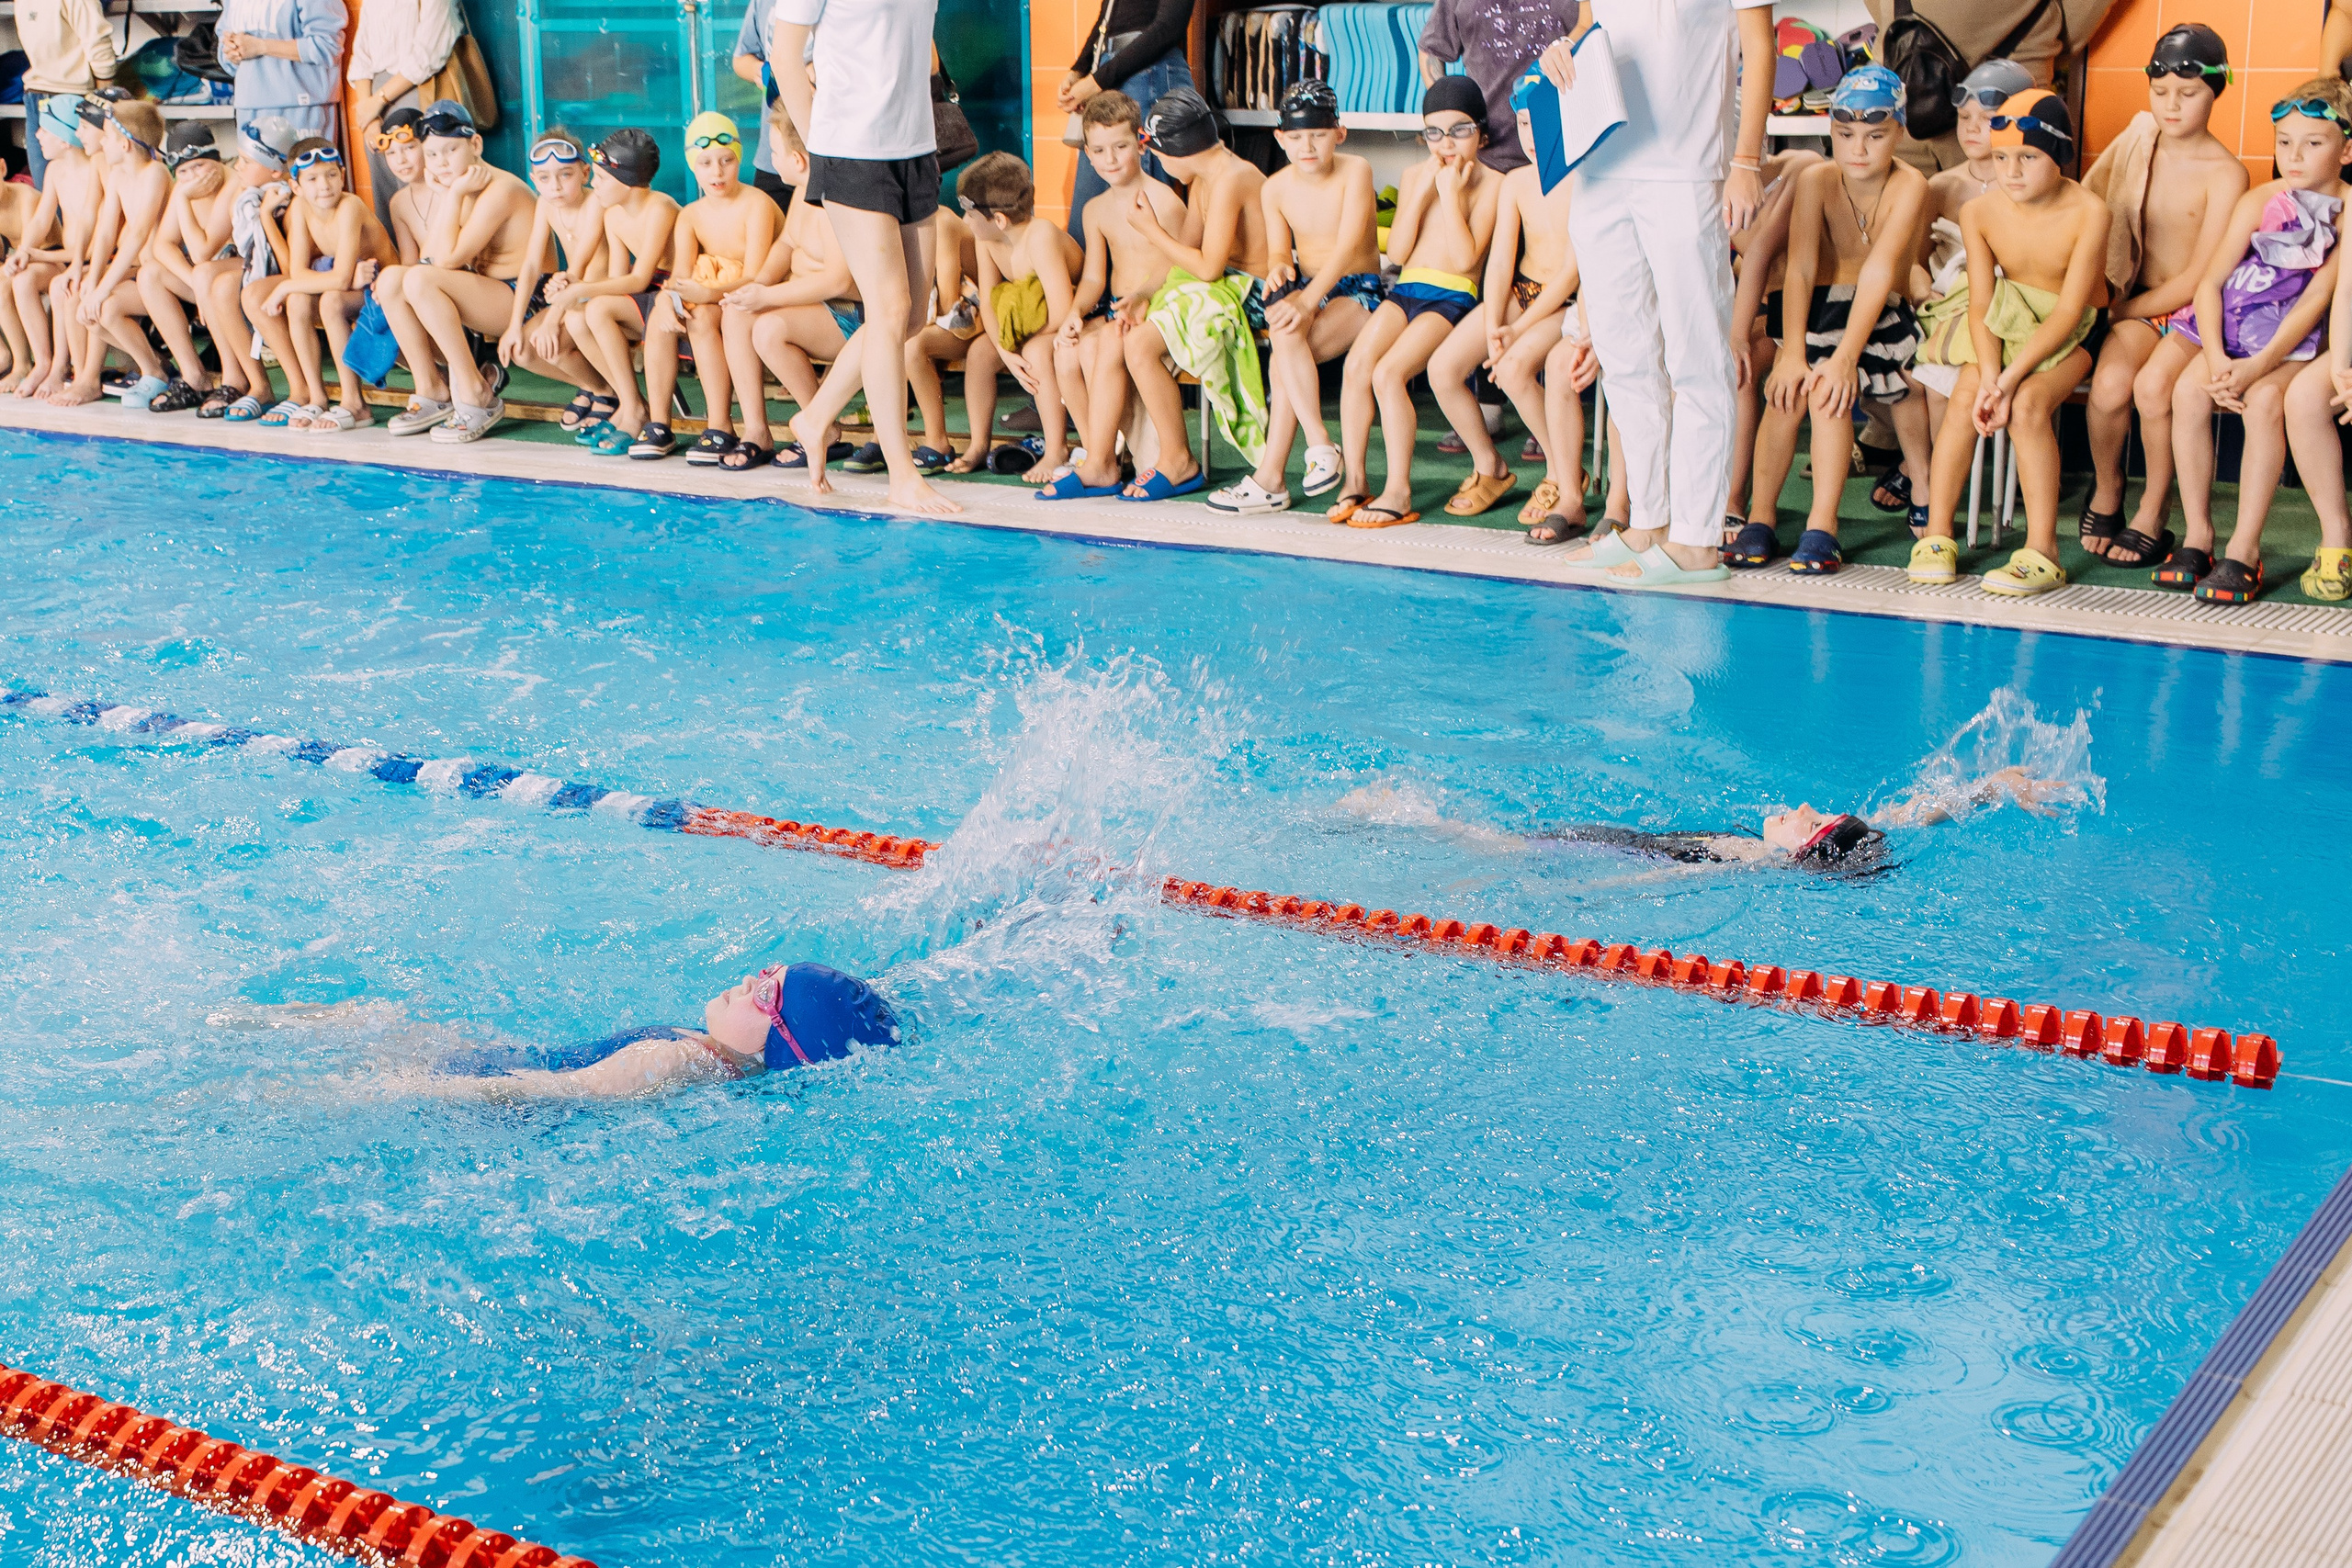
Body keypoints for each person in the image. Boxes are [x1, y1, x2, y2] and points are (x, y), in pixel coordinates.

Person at [1541, 0, 1775, 590]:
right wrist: (1560, 54)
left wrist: (1746, 160)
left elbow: (1761, 46)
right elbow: (1591, 31)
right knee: (1625, 358)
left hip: (1687, 168)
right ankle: (1648, 521)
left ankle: (1696, 539)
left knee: (1696, 359)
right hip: (1601, 164)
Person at [1731, 66, 1930, 574]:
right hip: (1816, 305)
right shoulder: (1816, 179)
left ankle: (1824, 525)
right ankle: (1761, 516)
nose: (1858, 149)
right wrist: (1792, 353)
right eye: (1845, 135)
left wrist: (1843, 359)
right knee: (1787, 390)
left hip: (1879, 308)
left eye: (1875, 135)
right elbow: (1797, 268)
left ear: (1899, 133)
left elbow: (1882, 271)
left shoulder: (1910, 185)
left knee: (1828, 392)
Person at [1908, 91, 2108, 597]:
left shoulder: (2090, 213)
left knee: (2027, 407)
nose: (2011, 171)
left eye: (2028, 157)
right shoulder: (1980, 213)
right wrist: (1992, 378)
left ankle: (2044, 550)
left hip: (2073, 325)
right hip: (2006, 316)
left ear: (2060, 155)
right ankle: (1937, 536)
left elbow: (2068, 311)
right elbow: (1980, 305)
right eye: (2001, 157)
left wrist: (2011, 381)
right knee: (1967, 394)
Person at [2160, 82, 2352, 606]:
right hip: (2241, 335)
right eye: (2284, 141)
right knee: (2186, 392)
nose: (2294, 155)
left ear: (2347, 149)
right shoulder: (2259, 200)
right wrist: (2219, 357)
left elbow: (2318, 298)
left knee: (2267, 400)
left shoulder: (2349, 210)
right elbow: (2209, 283)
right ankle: (2199, 534)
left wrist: (2256, 367)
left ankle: (2245, 548)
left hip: (2298, 342)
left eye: (2313, 143)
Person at [775, 0, 962, 515]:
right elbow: (784, 55)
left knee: (911, 317)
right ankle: (901, 475)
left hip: (916, 146)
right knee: (888, 308)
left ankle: (814, 419)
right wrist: (822, 143)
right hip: (851, 150)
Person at [2077, 24, 2250, 566]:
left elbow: (2203, 277)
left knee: (2153, 391)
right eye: (2160, 94)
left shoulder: (2227, 174)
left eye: (2188, 93)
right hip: (2141, 300)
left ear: (2217, 90)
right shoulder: (2138, 141)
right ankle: (2109, 487)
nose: (2170, 107)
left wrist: (2119, 310)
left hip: (2195, 313)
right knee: (2108, 388)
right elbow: (2092, 210)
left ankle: (2155, 504)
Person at [222, 963, 901, 1100]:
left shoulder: (675, 1064)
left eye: (767, 990)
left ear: (781, 1037)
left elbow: (550, 1090)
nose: (751, 977)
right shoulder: (708, 1053)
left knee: (356, 1048)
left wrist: (390, 1091)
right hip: (490, 1060)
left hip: (480, 1087)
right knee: (369, 1021)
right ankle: (231, 1023)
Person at [1324, 76, 1501, 531]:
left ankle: (1398, 491)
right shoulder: (1414, 176)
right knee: (1358, 365)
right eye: (1434, 133)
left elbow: (1466, 260)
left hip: (1454, 295)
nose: (1446, 144)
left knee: (1390, 373)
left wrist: (1450, 197)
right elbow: (1398, 253)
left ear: (1481, 132)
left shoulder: (1495, 185)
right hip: (1407, 289)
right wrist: (1422, 194)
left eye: (1459, 130)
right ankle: (1357, 480)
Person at [1208, 80, 1383, 517]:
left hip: (1357, 291)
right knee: (1286, 338)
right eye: (1297, 137)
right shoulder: (1275, 188)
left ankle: (1274, 477)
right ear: (1280, 139)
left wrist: (1306, 302)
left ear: (1338, 135)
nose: (1308, 147)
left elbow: (1345, 252)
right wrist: (1281, 266)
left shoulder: (1356, 170)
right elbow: (1277, 250)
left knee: (1285, 360)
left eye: (1319, 136)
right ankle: (1319, 444)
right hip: (1311, 289)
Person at [1428, 66, 1578, 526]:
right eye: (1526, 125)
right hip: (1521, 293)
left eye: (1544, 123)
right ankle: (1488, 465)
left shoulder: (1585, 180)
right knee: (1443, 369)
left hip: (1565, 302)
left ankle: (1561, 471)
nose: (1533, 137)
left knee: (1512, 370)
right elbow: (1500, 260)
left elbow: (1574, 273)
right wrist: (1495, 320)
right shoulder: (1517, 182)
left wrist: (1518, 329)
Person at [1117, 86, 1270, 502]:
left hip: (1253, 293)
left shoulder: (1230, 179)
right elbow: (1186, 256)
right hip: (1220, 285)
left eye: (1160, 156)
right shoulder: (1207, 177)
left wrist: (1151, 231)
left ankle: (1177, 460)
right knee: (1129, 333)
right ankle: (1124, 454)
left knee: (1142, 346)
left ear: (1176, 149)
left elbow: (1207, 266)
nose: (1160, 165)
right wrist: (1144, 291)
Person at [1039, 90, 1189, 502]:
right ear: (1087, 153)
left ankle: (1102, 463)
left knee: (1102, 345)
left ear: (1141, 143)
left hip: (1157, 308)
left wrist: (1141, 294)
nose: (1110, 159)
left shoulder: (1163, 200)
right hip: (1115, 309)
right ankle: (1100, 454)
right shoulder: (1096, 209)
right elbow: (1093, 278)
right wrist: (1074, 311)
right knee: (1066, 351)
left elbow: (1177, 267)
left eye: (1120, 147)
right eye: (1100, 150)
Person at [1904, 58, 2030, 502]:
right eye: (1964, 118)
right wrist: (1924, 293)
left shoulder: (2028, 184)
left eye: (1988, 119)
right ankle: (1927, 469)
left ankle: (1946, 482)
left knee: (1943, 381)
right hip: (1943, 306)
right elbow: (1913, 262)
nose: (1972, 128)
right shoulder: (1939, 186)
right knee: (1904, 372)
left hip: (1999, 310)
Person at [382, 100, 536, 443]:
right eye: (433, 155)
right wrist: (450, 194)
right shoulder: (460, 186)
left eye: (451, 150)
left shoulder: (501, 189)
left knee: (420, 279)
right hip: (489, 293)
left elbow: (445, 263)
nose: (441, 163)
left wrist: (450, 197)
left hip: (526, 298)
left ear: (475, 145)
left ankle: (475, 392)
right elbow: (430, 258)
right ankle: (432, 390)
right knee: (392, 279)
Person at [716, 104, 854, 472]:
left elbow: (839, 281)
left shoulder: (833, 201)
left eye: (774, 153)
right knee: (736, 312)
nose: (771, 160)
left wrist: (768, 296)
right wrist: (755, 287)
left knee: (769, 328)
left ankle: (822, 426)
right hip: (816, 306)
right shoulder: (804, 191)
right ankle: (757, 431)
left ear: (798, 159)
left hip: (850, 314)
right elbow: (787, 244)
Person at [644, 112, 776, 465]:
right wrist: (666, 299)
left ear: (739, 159)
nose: (716, 172)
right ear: (693, 165)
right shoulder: (690, 214)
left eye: (726, 161)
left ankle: (726, 425)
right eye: (705, 163)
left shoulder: (757, 204)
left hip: (757, 294)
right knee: (679, 316)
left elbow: (759, 275)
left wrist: (707, 295)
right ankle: (686, 424)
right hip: (717, 294)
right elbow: (681, 275)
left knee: (705, 311)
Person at [243, 139, 397, 432]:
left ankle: (355, 404)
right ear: (297, 187)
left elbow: (335, 280)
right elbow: (299, 271)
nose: (324, 186)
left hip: (382, 288)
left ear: (342, 175)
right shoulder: (301, 209)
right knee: (299, 299)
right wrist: (298, 285)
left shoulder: (350, 206)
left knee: (326, 300)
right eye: (312, 179)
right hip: (352, 284)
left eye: (331, 175)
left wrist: (286, 287)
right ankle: (316, 397)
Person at [956, 151, 1081, 481]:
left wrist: (1019, 347)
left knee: (1037, 352)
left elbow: (1061, 311)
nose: (965, 221)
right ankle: (979, 444)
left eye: (969, 213)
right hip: (1034, 318)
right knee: (981, 353)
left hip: (1077, 314)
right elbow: (988, 302)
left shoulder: (1040, 236)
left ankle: (1056, 450)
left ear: (999, 219)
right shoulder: (988, 241)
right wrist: (1004, 353)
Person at [564, 130, 682, 457]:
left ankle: (634, 411)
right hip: (646, 297)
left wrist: (584, 289)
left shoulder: (660, 207)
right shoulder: (612, 214)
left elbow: (640, 278)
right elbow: (619, 279)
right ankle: (631, 404)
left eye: (600, 177)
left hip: (673, 296)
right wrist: (579, 294)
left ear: (626, 179)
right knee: (580, 317)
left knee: (597, 308)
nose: (593, 185)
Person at [499, 131, 624, 434]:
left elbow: (579, 265)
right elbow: (530, 264)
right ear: (533, 179)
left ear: (584, 172)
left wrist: (553, 318)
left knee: (550, 343)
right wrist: (514, 324)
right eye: (544, 178)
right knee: (522, 350)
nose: (554, 186)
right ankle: (595, 385)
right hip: (572, 293)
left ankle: (610, 393)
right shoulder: (545, 205)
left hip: (600, 295)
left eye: (565, 175)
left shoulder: (596, 203)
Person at [62, 98, 172, 410]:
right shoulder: (119, 177)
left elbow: (137, 235)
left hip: (160, 276)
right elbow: (107, 233)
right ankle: (156, 367)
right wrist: (93, 282)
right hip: (138, 271)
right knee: (89, 302)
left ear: (123, 144)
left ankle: (152, 370)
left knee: (103, 307)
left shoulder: (156, 173)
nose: (101, 140)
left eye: (106, 135)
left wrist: (102, 289)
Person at [1057, 0, 1195, 244]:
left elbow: (1168, 27)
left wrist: (1095, 81)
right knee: (1090, 206)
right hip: (1114, 68)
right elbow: (1108, 17)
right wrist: (1080, 70)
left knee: (1142, 209)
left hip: (1146, 72)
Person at [200, 116, 303, 421]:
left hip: (300, 275)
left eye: (245, 161)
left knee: (253, 294)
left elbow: (290, 267)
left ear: (274, 170)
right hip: (275, 274)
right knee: (221, 288)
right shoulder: (251, 198)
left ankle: (301, 389)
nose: (237, 167)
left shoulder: (292, 202)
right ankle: (259, 385)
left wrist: (267, 217)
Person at [132, 125, 235, 412]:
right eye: (184, 172)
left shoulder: (231, 185)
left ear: (217, 159)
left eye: (200, 165)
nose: (193, 178)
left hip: (242, 276)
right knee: (150, 273)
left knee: (203, 274)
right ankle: (194, 376)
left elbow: (203, 252)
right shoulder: (185, 190)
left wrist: (182, 197)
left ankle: (233, 378)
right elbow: (162, 245)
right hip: (208, 279)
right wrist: (194, 282)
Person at [1418, 0, 1578, 175]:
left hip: (1564, 150)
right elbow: (1432, 50)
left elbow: (1592, 30)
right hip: (1489, 158)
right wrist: (1449, 120)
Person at [345, 0, 462, 234]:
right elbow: (362, 54)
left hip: (418, 89)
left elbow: (428, 53)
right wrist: (367, 112)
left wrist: (378, 101)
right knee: (386, 193)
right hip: (375, 98)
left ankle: (432, 265)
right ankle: (398, 264)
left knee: (423, 186)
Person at [5, 96, 95, 399]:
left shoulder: (96, 172)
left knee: (54, 284)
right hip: (65, 258)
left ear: (67, 138)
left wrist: (35, 253)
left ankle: (59, 366)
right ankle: (40, 362)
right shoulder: (56, 169)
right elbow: (43, 218)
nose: (37, 136)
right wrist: (23, 252)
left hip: (87, 259)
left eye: (44, 130)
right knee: (23, 278)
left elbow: (92, 244)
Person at [15, 0, 119, 192]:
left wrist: (98, 101)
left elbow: (98, 42)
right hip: (34, 93)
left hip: (70, 96)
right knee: (45, 186)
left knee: (82, 188)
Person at [218, 0, 350, 145]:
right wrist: (232, 52)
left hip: (301, 105)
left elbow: (327, 46)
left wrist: (262, 46)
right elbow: (225, 55)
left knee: (308, 167)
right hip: (248, 106)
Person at [729, 0, 797, 212]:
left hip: (825, 156)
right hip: (773, 158)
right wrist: (761, 71)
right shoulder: (762, 3)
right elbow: (741, 59)